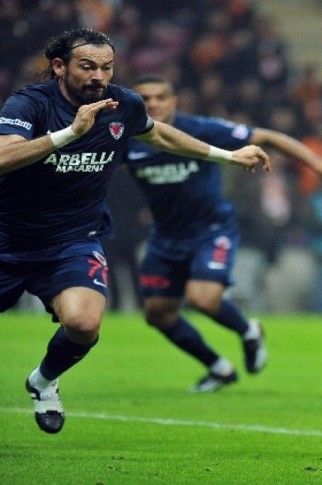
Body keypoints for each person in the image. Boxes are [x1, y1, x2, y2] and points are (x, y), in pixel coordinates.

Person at [0, 28, 269, 434]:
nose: (98, 76)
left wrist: (227, 156)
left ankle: (43, 381)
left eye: (106, 67)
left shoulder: (122, 104)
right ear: (59, 66)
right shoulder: (29, 103)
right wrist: (69, 134)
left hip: (74, 239)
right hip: (9, 236)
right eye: (87, 67)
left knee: (84, 324)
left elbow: (157, 133)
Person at [126, 76, 322, 392]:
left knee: (202, 297)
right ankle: (219, 368)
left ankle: (248, 330)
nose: (153, 104)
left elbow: (269, 137)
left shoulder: (200, 128)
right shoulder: (126, 136)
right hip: (165, 236)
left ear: (174, 101)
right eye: (145, 98)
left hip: (211, 229)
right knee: (158, 314)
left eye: (160, 97)